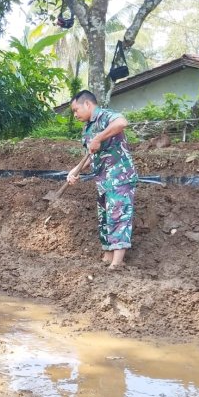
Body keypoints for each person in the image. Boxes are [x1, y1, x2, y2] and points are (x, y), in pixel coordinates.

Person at [67, 90, 139, 270]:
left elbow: (122, 123)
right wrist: (75, 171)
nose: (75, 115)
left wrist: (99, 138)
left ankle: (117, 263)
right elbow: (90, 156)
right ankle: (107, 256)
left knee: (119, 215)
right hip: (103, 179)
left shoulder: (106, 116)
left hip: (119, 176)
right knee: (105, 217)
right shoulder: (87, 128)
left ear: (87, 104)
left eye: (76, 110)